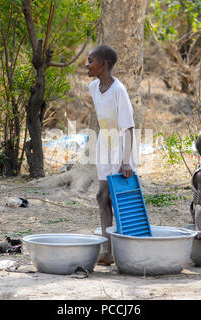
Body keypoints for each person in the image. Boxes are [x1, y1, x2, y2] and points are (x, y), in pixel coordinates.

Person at [86, 45, 137, 265]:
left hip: (120, 146)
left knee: (118, 198)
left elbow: (128, 127)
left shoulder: (119, 90)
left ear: (103, 64)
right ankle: (107, 251)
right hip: (104, 145)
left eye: (91, 61)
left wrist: (126, 162)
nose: (87, 65)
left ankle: (123, 249)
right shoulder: (93, 88)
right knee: (102, 197)